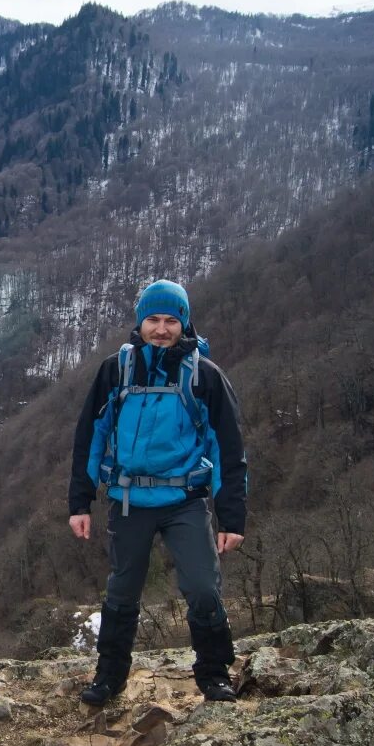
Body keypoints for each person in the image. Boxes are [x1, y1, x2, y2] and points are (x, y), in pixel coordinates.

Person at [67, 279, 247, 705]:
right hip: (130, 502)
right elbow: (90, 435)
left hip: (185, 501)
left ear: (184, 323)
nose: (161, 329)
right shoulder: (117, 370)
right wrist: (80, 502)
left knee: (203, 587)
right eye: (153, 319)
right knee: (122, 591)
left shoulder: (204, 375)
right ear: (140, 322)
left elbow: (229, 449)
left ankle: (214, 673)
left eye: (171, 320)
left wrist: (232, 518)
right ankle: (109, 677)